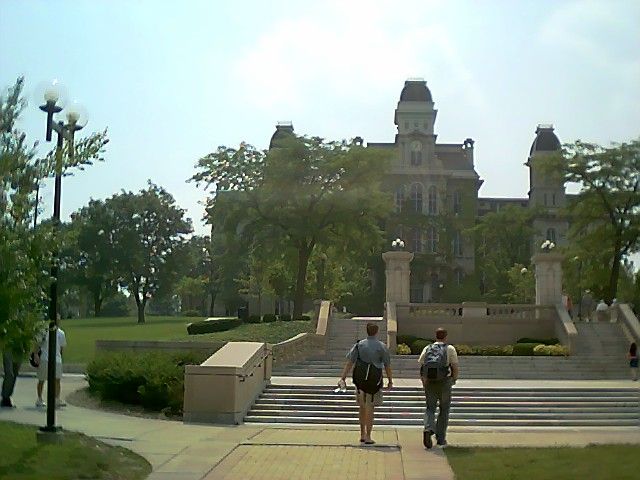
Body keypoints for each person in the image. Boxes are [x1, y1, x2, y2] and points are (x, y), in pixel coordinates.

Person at [339, 322, 392, 445]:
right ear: (377, 331)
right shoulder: (382, 346)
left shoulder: (359, 345)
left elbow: (350, 362)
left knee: (362, 407)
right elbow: (387, 365)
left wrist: (343, 377)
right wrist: (390, 380)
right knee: (370, 408)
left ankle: (362, 434)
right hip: (374, 381)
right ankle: (368, 436)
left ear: (367, 331)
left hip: (360, 380)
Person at [419, 328, 459, 449]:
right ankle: (440, 438)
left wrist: (424, 381)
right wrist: (453, 379)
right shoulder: (450, 349)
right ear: (445, 337)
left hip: (430, 382)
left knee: (430, 408)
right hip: (444, 382)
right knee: (444, 410)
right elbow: (455, 366)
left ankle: (428, 428)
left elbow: (422, 365)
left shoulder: (427, 348)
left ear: (435, 336)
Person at [34, 323, 67, 408]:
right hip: (45, 359)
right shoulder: (44, 331)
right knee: (42, 379)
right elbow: (37, 344)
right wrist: (36, 355)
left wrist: (60, 358)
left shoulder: (61, 333)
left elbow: (62, 347)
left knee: (57, 380)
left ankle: (56, 399)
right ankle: (39, 398)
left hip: (57, 359)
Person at [1, 340, 24, 408]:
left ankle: (8, 396)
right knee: (9, 373)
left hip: (20, 346)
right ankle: (5, 397)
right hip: (8, 344)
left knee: (15, 373)